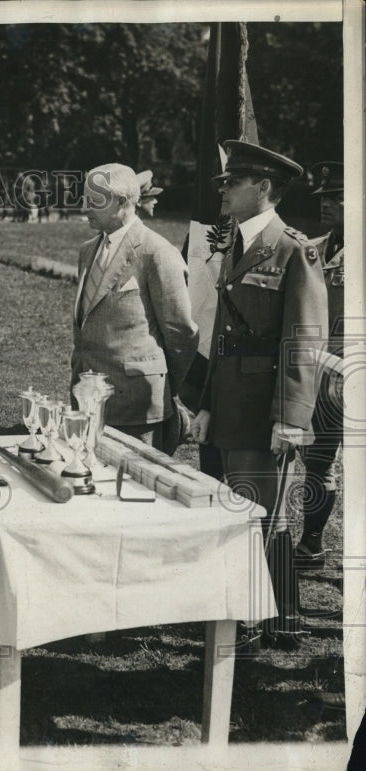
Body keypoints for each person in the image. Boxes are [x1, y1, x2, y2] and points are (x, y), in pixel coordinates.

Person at [191, 140, 329, 649]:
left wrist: (291, 417)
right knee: (243, 509)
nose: (223, 189)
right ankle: (272, 617)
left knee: (261, 513)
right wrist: (207, 403)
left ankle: (262, 622)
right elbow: (223, 335)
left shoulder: (293, 249)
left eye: (234, 182)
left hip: (264, 407)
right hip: (231, 400)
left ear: (264, 187)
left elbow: (304, 340)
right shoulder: (239, 242)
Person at [72, 163, 198, 453]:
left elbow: (181, 333)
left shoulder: (157, 252)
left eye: (94, 200)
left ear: (121, 202)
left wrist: (160, 383)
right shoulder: (87, 250)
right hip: (87, 402)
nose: (84, 207)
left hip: (136, 408)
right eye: (84, 198)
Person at [296, 162, 345, 568]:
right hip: (322, 375)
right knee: (317, 460)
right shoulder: (312, 249)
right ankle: (312, 543)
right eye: (324, 197)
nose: (326, 204)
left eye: (337, 198)